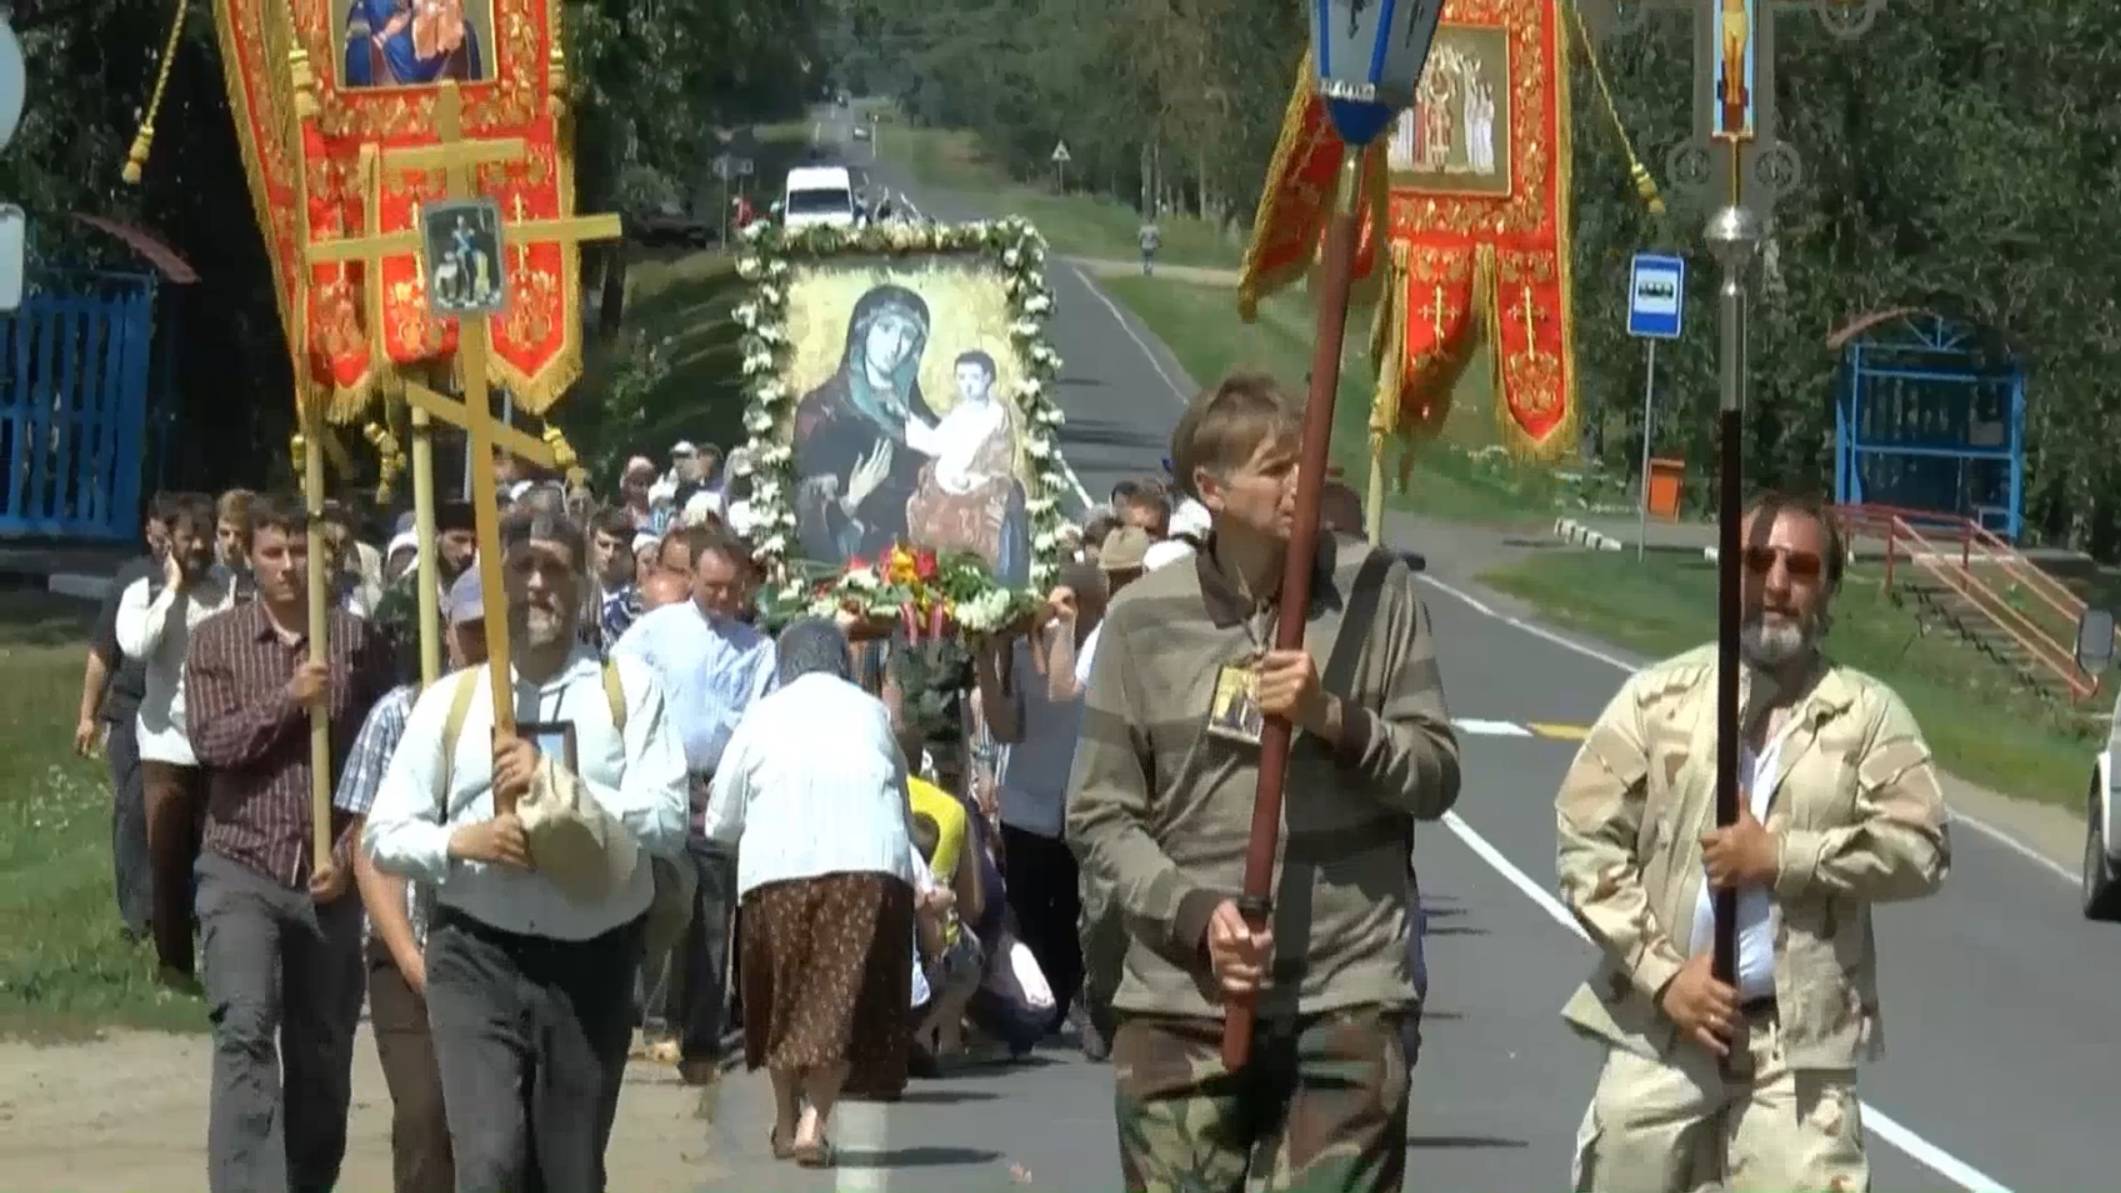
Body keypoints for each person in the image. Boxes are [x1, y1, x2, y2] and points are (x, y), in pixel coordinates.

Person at [1067, 374, 1460, 1193]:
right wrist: (1195, 914)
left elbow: (1434, 777)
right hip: (1183, 998)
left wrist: (1332, 716)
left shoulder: (1375, 595)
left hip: (1343, 986)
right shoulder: (1142, 623)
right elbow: (1100, 817)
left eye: (1309, 463)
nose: (1302, 484)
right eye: (1277, 468)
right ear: (1210, 490)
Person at [1555, 491, 1950, 1193]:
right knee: (1620, 1153)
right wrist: (1662, 973)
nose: (1775, 583)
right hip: (1666, 1025)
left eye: (1798, 566)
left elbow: (1922, 846)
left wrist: (1783, 856)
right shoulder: (1660, 698)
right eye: (1756, 560)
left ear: (1825, 586)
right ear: (1728, 572)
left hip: (1793, 1051)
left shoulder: (1865, 716)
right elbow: (1584, 837)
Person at [365, 508, 689, 1193]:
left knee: (569, 1174)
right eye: (522, 566)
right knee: (489, 1162)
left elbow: (665, 818)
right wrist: (462, 839)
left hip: (592, 958)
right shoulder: (453, 701)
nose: (538, 583)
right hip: (476, 956)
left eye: (555, 568)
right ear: (497, 580)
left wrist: (562, 795)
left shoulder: (625, 692)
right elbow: (384, 833)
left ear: (584, 585)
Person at [182, 493, 396, 1192]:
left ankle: (307, 1180)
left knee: (323, 1050)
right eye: (273, 551)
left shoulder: (360, 643)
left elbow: (387, 753)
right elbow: (212, 744)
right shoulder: (217, 641)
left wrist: (354, 846)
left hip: (329, 876)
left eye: (300, 552)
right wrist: (288, 701)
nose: (287, 566)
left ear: (324, 556)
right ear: (249, 554)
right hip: (240, 863)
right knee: (245, 1026)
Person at [703, 618, 922, 1167]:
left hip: (777, 874)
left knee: (782, 1002)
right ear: (842, 663)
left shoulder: (761, 716)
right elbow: (898, 793)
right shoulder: (870, 712)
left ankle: (784, 1121)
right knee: (843, 1002)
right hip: (867, 871)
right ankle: (812, 1122)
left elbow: (720, 821)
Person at [336, 568, 487, 1193]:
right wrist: (409, 957)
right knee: (426, 1114)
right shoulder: (400, 715)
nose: (480, 646)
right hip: (408, 948)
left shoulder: (530, 717)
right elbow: (370, 850)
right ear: (447, 633)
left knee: (488, 1123)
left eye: (493, 632)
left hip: (496, 948)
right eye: (470, 631)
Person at [614, 524, 778, 1084]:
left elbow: (761, 718)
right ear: (691, 579)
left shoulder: (757, 649)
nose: (724, 599)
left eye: (734, 589)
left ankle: (703, 1038)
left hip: (717, 789)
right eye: (713, 587)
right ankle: (657, 1020)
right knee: (662, 902)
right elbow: (618, 687)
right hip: (663, 782)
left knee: (711, 913)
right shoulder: (654, 633)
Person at [117, 491, 238, 988]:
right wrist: (169, 592)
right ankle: (173, 967)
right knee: (166, 857)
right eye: (189, 537)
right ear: (168, 540)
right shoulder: (142, 591)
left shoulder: (226, 590)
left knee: (218, 858)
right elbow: (137, 646)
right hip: (165, 745)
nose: (199, 547)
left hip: (218, 743)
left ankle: (222, 957)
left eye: (206, 538)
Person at [985, 560, 1108, 1044]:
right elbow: (1007, 726)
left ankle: (1073, 1001)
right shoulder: (1019, 653)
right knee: (1032, 913)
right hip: (1029, 802)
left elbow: (1063, 691)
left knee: (1073, 918)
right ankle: (1039, 1009)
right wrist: (989, 654)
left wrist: (1065, 630)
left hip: (1077, 801)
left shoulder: (1101, 654)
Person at [79, 495, 171, 940]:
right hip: (130, 708)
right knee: (134, 808)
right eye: (156, 521)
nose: (163, 532)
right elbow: (102, 653)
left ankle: (174, 909)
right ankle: (138, 917)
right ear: (148, 528)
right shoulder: (131, 579)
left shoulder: (207, 581)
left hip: (180, 712)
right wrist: (87, 716)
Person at [792, 285, 938, 562]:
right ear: (863, 331)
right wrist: (852, 498)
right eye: (885, 328)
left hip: (914, 559)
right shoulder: (824, 409)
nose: (895, 345)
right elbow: (806, 508)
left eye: (907, 335)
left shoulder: (921, 419)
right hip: (856, 563)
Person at [903, 349, 1030, 585]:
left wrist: (971, 480)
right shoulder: (958, 414)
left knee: (975, 520)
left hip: (985, 487)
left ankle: (979, 578)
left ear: (988, 379)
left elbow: (998, 459)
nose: (967, 385)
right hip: (947, 482)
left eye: (974, 377)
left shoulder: (997, 415)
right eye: (961, 378)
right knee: (917, 507)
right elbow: (936, 444)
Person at [586, 508, 639, 653]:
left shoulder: (638, 599)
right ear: (591, 545)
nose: (610, 554)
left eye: (618, 547)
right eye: (604, 545)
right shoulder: (579, 594)